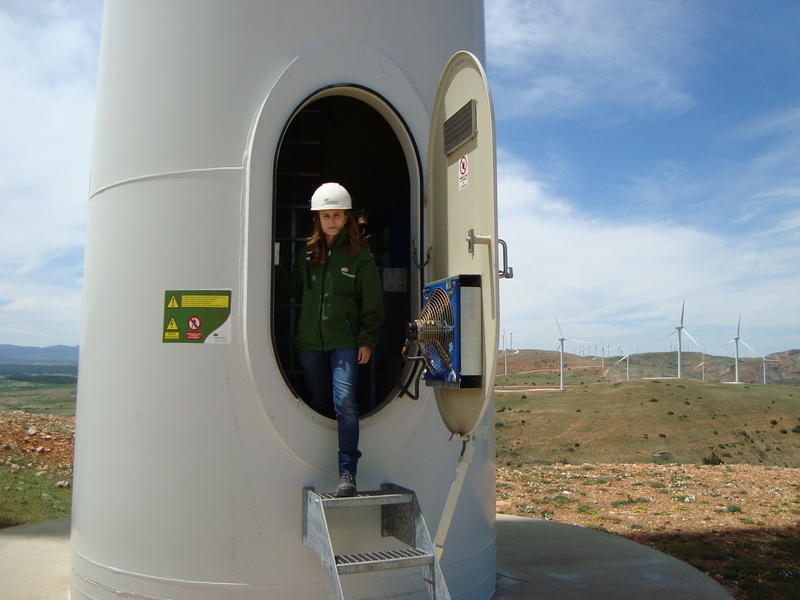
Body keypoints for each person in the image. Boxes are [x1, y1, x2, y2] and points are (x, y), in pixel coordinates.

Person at [277, 182, 384, 497]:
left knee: (345, 403)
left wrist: (366, 340)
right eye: (326, 216)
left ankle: (347, 473)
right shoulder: (308, 253)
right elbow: (292, 287)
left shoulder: (360, 257)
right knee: (319, 402)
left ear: (347, 218)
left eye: (337, 214)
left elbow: (373, 304)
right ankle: (314, 465)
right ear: (318, 219)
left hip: (345, 342)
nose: (332, 221)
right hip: (309, 343)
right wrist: (273, 261)